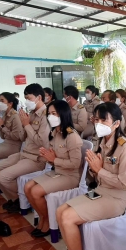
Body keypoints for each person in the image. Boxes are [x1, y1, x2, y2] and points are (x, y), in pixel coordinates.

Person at [54, 102, 126, 250]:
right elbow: (97, 176)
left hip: (116, 199)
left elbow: (124, 183)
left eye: (103, 120)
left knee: (67, 217)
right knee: (60, 211)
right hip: (101, 192)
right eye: (96, 119)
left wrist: (99, 170)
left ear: (116, 123)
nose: (98, 123)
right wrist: (93, 169)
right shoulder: (102, 142)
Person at [24, 100, 82, 238]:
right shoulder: (54, 132)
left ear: (63, 114)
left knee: (36, 191)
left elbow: (75, 164)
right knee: (27, 187)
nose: (50, 117)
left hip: (70, 176)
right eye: (49, 114)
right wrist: (46, 155)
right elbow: (52, 157)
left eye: (54, 113)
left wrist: (53, 159)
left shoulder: (71, 135)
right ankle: (45, 218)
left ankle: (48, 221)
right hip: (57, 171)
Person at [0, 83, 50, 212]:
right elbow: (22, 138)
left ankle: (22, 200)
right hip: (24, 153)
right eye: (25, 98)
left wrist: (26, 125)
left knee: (3, 176)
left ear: (39, 97)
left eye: (29, 98)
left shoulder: (47, 115)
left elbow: (41, 141)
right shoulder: (30, 114)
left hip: (36, 159)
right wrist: (2, 125)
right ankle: (17, 199)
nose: (27, 101)